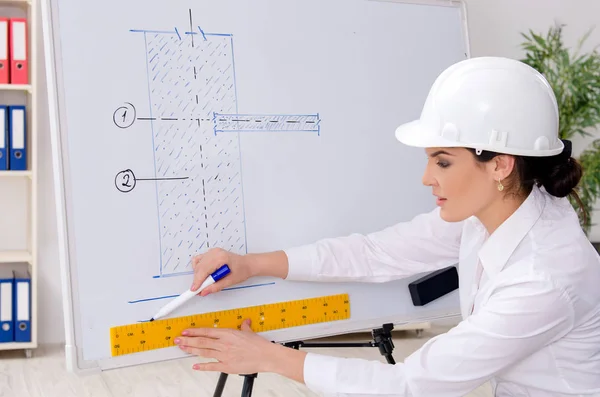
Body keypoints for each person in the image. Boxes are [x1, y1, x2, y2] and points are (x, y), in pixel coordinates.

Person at [173, 57, 600, 396]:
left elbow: (411, 386)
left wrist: (268, 357)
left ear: (500, 165)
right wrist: (250, 264)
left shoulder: (544, 278)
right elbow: (378, 252)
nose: (427, 177)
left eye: (443, 161)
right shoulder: (499, 208)